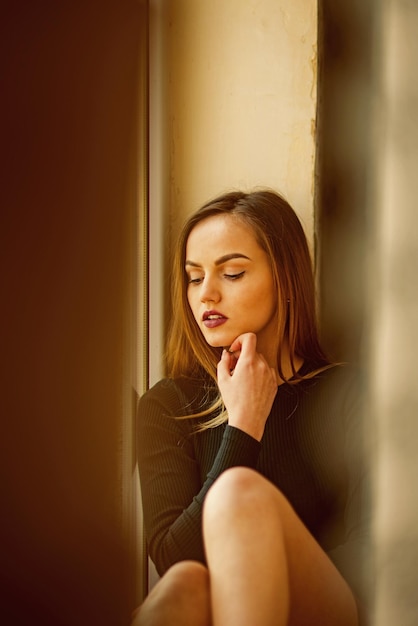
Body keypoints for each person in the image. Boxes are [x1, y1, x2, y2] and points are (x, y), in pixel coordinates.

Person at [133, 190, 370, 626]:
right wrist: (243, 425)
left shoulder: (349, 394)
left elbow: (370, 546)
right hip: (215, 609)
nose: (207, 295)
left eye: (233, 273)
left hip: (331, 607)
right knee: (182, 586)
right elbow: (172, 558)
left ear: (284, 278)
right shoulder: (167, 406)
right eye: (194, 277)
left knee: (238, 494)